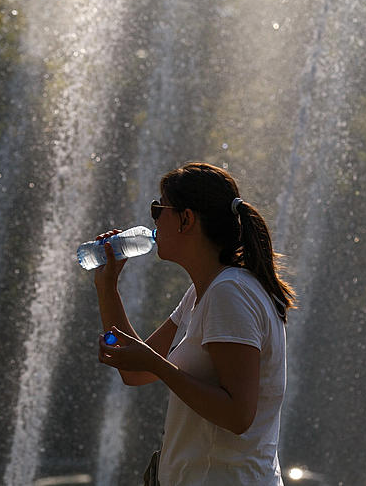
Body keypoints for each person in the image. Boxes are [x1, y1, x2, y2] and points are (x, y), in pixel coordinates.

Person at [94, 162, 296, 486]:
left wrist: (158, 366)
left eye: (158, 208)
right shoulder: (202, 292)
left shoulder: (230, 292)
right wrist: (106, 288)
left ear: (186, 219)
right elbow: (134, 370)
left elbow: (238, 415)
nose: (154, 219)